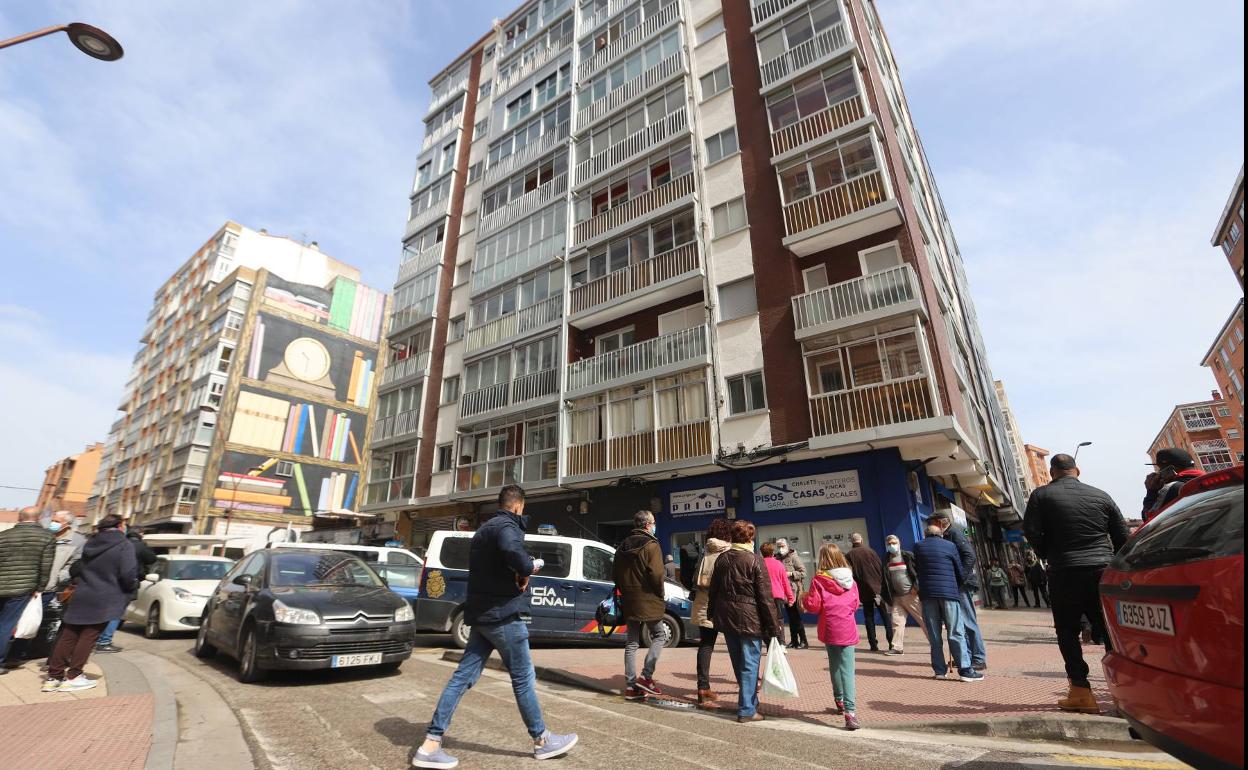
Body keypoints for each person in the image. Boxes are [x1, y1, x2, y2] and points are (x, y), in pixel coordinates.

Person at [413, 486, 577, 768]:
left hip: (482, 615)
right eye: (522, 509)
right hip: (503, 615)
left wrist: (517, 571)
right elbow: (514, 555)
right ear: (517, 507)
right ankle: (542, 740)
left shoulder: (483, 530)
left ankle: (430, 743)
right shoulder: (507, 528)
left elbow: (494, 566)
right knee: (523, 678)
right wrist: (529, 566)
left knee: (462, 677)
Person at [1023, 453, 1129, 714]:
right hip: (1102, 570)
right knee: (1110, 631)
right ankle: (1123, 692)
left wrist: (1049, 554)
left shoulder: (1041, 495)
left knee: (1068, 631)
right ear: (1077, 470)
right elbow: (1122, 536)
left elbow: (1031, 532)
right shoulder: (1101, 495)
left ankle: (1081, 692)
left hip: (1064, 571)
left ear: (1052, 472)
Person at [46, 514, 137, 693]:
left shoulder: (90, 543)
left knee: (68, 635)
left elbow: (77, 567)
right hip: (104, 596)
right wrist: (130, 588)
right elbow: (128, 573)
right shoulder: (124, 545)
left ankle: (53, 677)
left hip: (82, 593)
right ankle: (74, 675)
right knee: (88, 637)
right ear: (120, 526)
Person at [707, 519, 779, 723]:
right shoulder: (755, 561)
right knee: (749, 664)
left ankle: (750, 702)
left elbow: (714, 590)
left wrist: (712, 613)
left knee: (739, 662)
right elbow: (765, 598)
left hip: (727, 617)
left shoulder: (722, 559)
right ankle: (747, 708)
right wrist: (774, 627)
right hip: (750, 618)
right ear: (750, 538)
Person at [4, 511, 85, 667]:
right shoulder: (43, 534)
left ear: (67, 524)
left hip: (46, 588)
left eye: (56, 521)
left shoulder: (77, 541)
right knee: (10, 621)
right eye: (52, 520)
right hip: (24, 583)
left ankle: (15, 655)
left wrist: (54, 579)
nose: (52, 523)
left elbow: (73, 566)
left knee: (30, 621)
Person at [913, 520, 983, 682]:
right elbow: (959, 569)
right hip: (949, 594)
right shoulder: (950, 546)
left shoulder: (918, 546)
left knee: (934, 634)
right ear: (941, 534)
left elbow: (918, 568)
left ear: (925, 534)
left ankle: (939, 670)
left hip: (928, 595)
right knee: (955, 631)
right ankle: (965, 670)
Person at [802, 544, 861, 730]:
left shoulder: (819, 580)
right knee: (847, 670)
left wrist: (803, 597)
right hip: (847, 626)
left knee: (834, 665)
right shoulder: (851, 581)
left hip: (829, 626)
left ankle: (839, 700)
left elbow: (814, 606)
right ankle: (850, 714)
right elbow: (855, 603)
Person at [614, 510, 668, 701]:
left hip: (629, 599)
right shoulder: (652, 545)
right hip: (649, 598)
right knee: (660, 635)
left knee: (632, 643)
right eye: (653, 522)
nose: (654, 525)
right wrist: (660, 593)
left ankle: (630, 687)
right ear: (647, 525)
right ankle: (646, 676)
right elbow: (657, 575)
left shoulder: (622, 546)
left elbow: (615, 574)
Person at [0, 507, 56, 670]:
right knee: (6, 624)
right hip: (23, 588)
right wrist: (40, 588)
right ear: (38, 518)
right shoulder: (47, 537)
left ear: (19, 517)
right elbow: (46, 566)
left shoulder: (4, 535)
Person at [930, 511, 987, 670]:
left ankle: (978, 658)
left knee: (968, 621)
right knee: (960, 622)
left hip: (961, 584)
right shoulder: (947, 535)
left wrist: (960, 577)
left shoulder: (954, 533)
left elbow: (970, 556)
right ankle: (967, 657)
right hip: (954, 584)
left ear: (941, 522)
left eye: (933, 522)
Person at [95, 521, 158, 654]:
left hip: (106, 581)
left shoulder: (117, 544)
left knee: (104, 611)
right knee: (116, 612)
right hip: (125, 583)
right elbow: (152, 559)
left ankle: (97, 638)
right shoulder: (138, 546)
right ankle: (104, 641)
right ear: (141, 534)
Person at [690, 518, 732, 709]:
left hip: (704, 602)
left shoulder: (705, 552)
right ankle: (747, 686)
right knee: (736, 646)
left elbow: (693, 578)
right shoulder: (730, 552)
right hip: (726, 604)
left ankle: (702, 688)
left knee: (706, 646)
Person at [844, 533, 892, 652]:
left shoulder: (850, 555)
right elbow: (880, 568)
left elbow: (849, 573)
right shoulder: (871, 551)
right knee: (885, 615)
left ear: (852, 542)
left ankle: (873, 644)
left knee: (869, 617)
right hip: (877, 589)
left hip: (863, 590)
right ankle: (892, 642)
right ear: (861, 540)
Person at [879, 534, 925, 655]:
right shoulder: (886, 559)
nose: (891, 546)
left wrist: (916, 587)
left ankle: (936, 644)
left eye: (894, 543)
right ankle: (897, 647)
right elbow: (885, 578)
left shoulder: (907, 556)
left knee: (923, 620)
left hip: (911, 595)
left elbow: (919, 572)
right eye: (889, 544)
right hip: (896, 597)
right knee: (896, 622)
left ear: (899, 543)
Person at [1141, 447, 1204, 523]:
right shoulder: (1205, 480)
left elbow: (1148, 519)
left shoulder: (1172, 488)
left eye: (1160, 469)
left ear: (1170, 470)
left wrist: (1151, 491)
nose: (1159, 473)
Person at [776, 539, 808, 649]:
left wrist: (790, 573)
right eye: (779, 546)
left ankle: (803, 640)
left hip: (794, 591)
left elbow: (803, 573)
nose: (781, 548)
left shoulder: (794, 557)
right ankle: (794, 640)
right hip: (783, 591)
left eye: (782, 546)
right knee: (790, 617)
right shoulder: (777, 558)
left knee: (796, 616)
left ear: (787, 546)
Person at [760, 542, 793, 646]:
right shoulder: (779, 564)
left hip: (764, 595)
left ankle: (770, 644)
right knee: (779, 619)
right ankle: (781, 643)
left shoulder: (759, 564)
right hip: (778, 595)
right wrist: (791, 597)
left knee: (764, 620)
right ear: (773, 552)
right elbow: (785, 582)